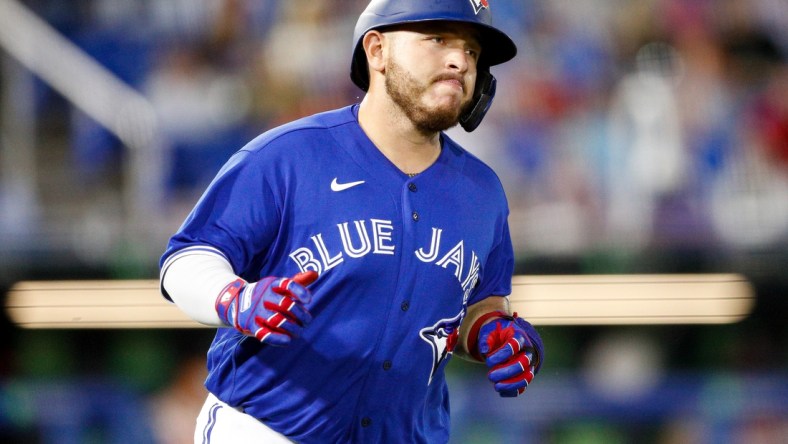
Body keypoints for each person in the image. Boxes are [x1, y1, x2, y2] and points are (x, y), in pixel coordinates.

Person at [159, 1, 544, 442]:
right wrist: (236, 299)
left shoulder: (483, 193)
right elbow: (185, 260)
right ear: (376, 50)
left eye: (472, 51)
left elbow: (478, 302)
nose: (459, 60)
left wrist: (491, 333)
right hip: (268, 429)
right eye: (437, 39)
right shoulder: (290, 155)